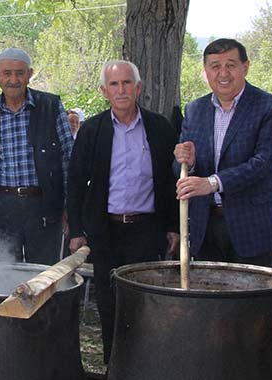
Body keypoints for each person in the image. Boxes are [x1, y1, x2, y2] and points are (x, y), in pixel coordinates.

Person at [68, 60, 179, 364]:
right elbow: (76, 182)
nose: (121, 90)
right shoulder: (92, 129)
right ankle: (114, 366)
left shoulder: (159, 128)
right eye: (114, 84)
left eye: (127, 83)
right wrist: (77, 230)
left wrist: (173, 226)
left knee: (146, 303)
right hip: (106, 233)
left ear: (138, 88)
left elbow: (170, 181)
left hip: (147, 231)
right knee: (109, 303)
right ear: (105, 91)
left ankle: (145, 366)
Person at [174, 38, 272, 267]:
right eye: (215, 66)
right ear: (205, 71)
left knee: (254, 302)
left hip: (255, 229)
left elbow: (264, 162)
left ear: (245, 67)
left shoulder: (270, 106)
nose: (223, 73)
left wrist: (213, 183)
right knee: (210, 300)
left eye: (231, 65)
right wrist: (189, 161)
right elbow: (180, 169)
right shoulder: (194, 110)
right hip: (206, 228)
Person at [0, 48, 74, 265]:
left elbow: (68, 158)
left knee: (44, 277)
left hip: (44, 207)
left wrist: (69, 207)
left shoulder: (51, 106)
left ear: (29, 74)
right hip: (1, 209)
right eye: (7, 73)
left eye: (20, 73)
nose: (13, 80)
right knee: (3, 278)